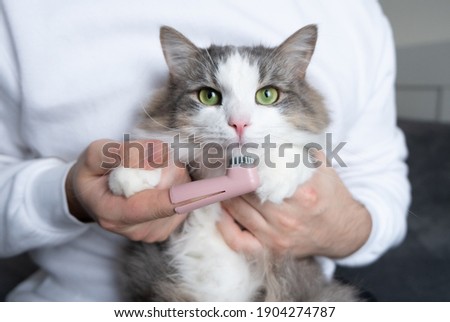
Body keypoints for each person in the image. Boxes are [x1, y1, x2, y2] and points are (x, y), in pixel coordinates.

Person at [0, 0, 410, 301]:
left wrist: (346, 228)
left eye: (267, 94)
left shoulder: (356, 14)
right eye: (211, 95)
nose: (239, 119)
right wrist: (68, 195)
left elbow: (382, 183)